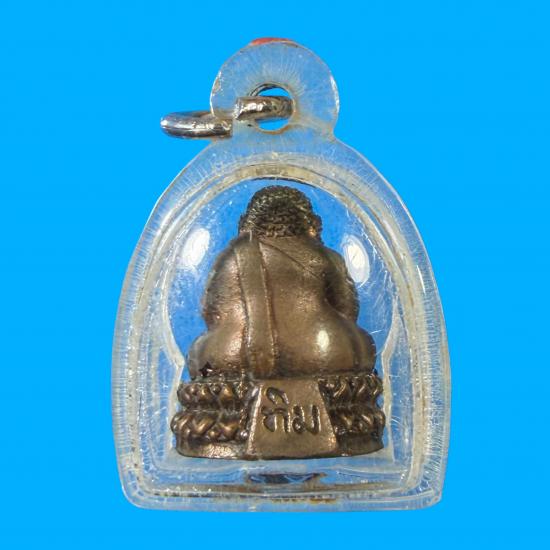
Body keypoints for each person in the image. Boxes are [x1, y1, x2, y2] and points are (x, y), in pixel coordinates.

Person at [188, 185, 376, 380]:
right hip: (325, 354)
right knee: (363, 347)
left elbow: (211, 312)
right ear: (314, 225)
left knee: (202, 362)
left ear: (244, 225)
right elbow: (348, 310)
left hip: (237, 356)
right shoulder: (327, 258)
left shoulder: (230, 258)